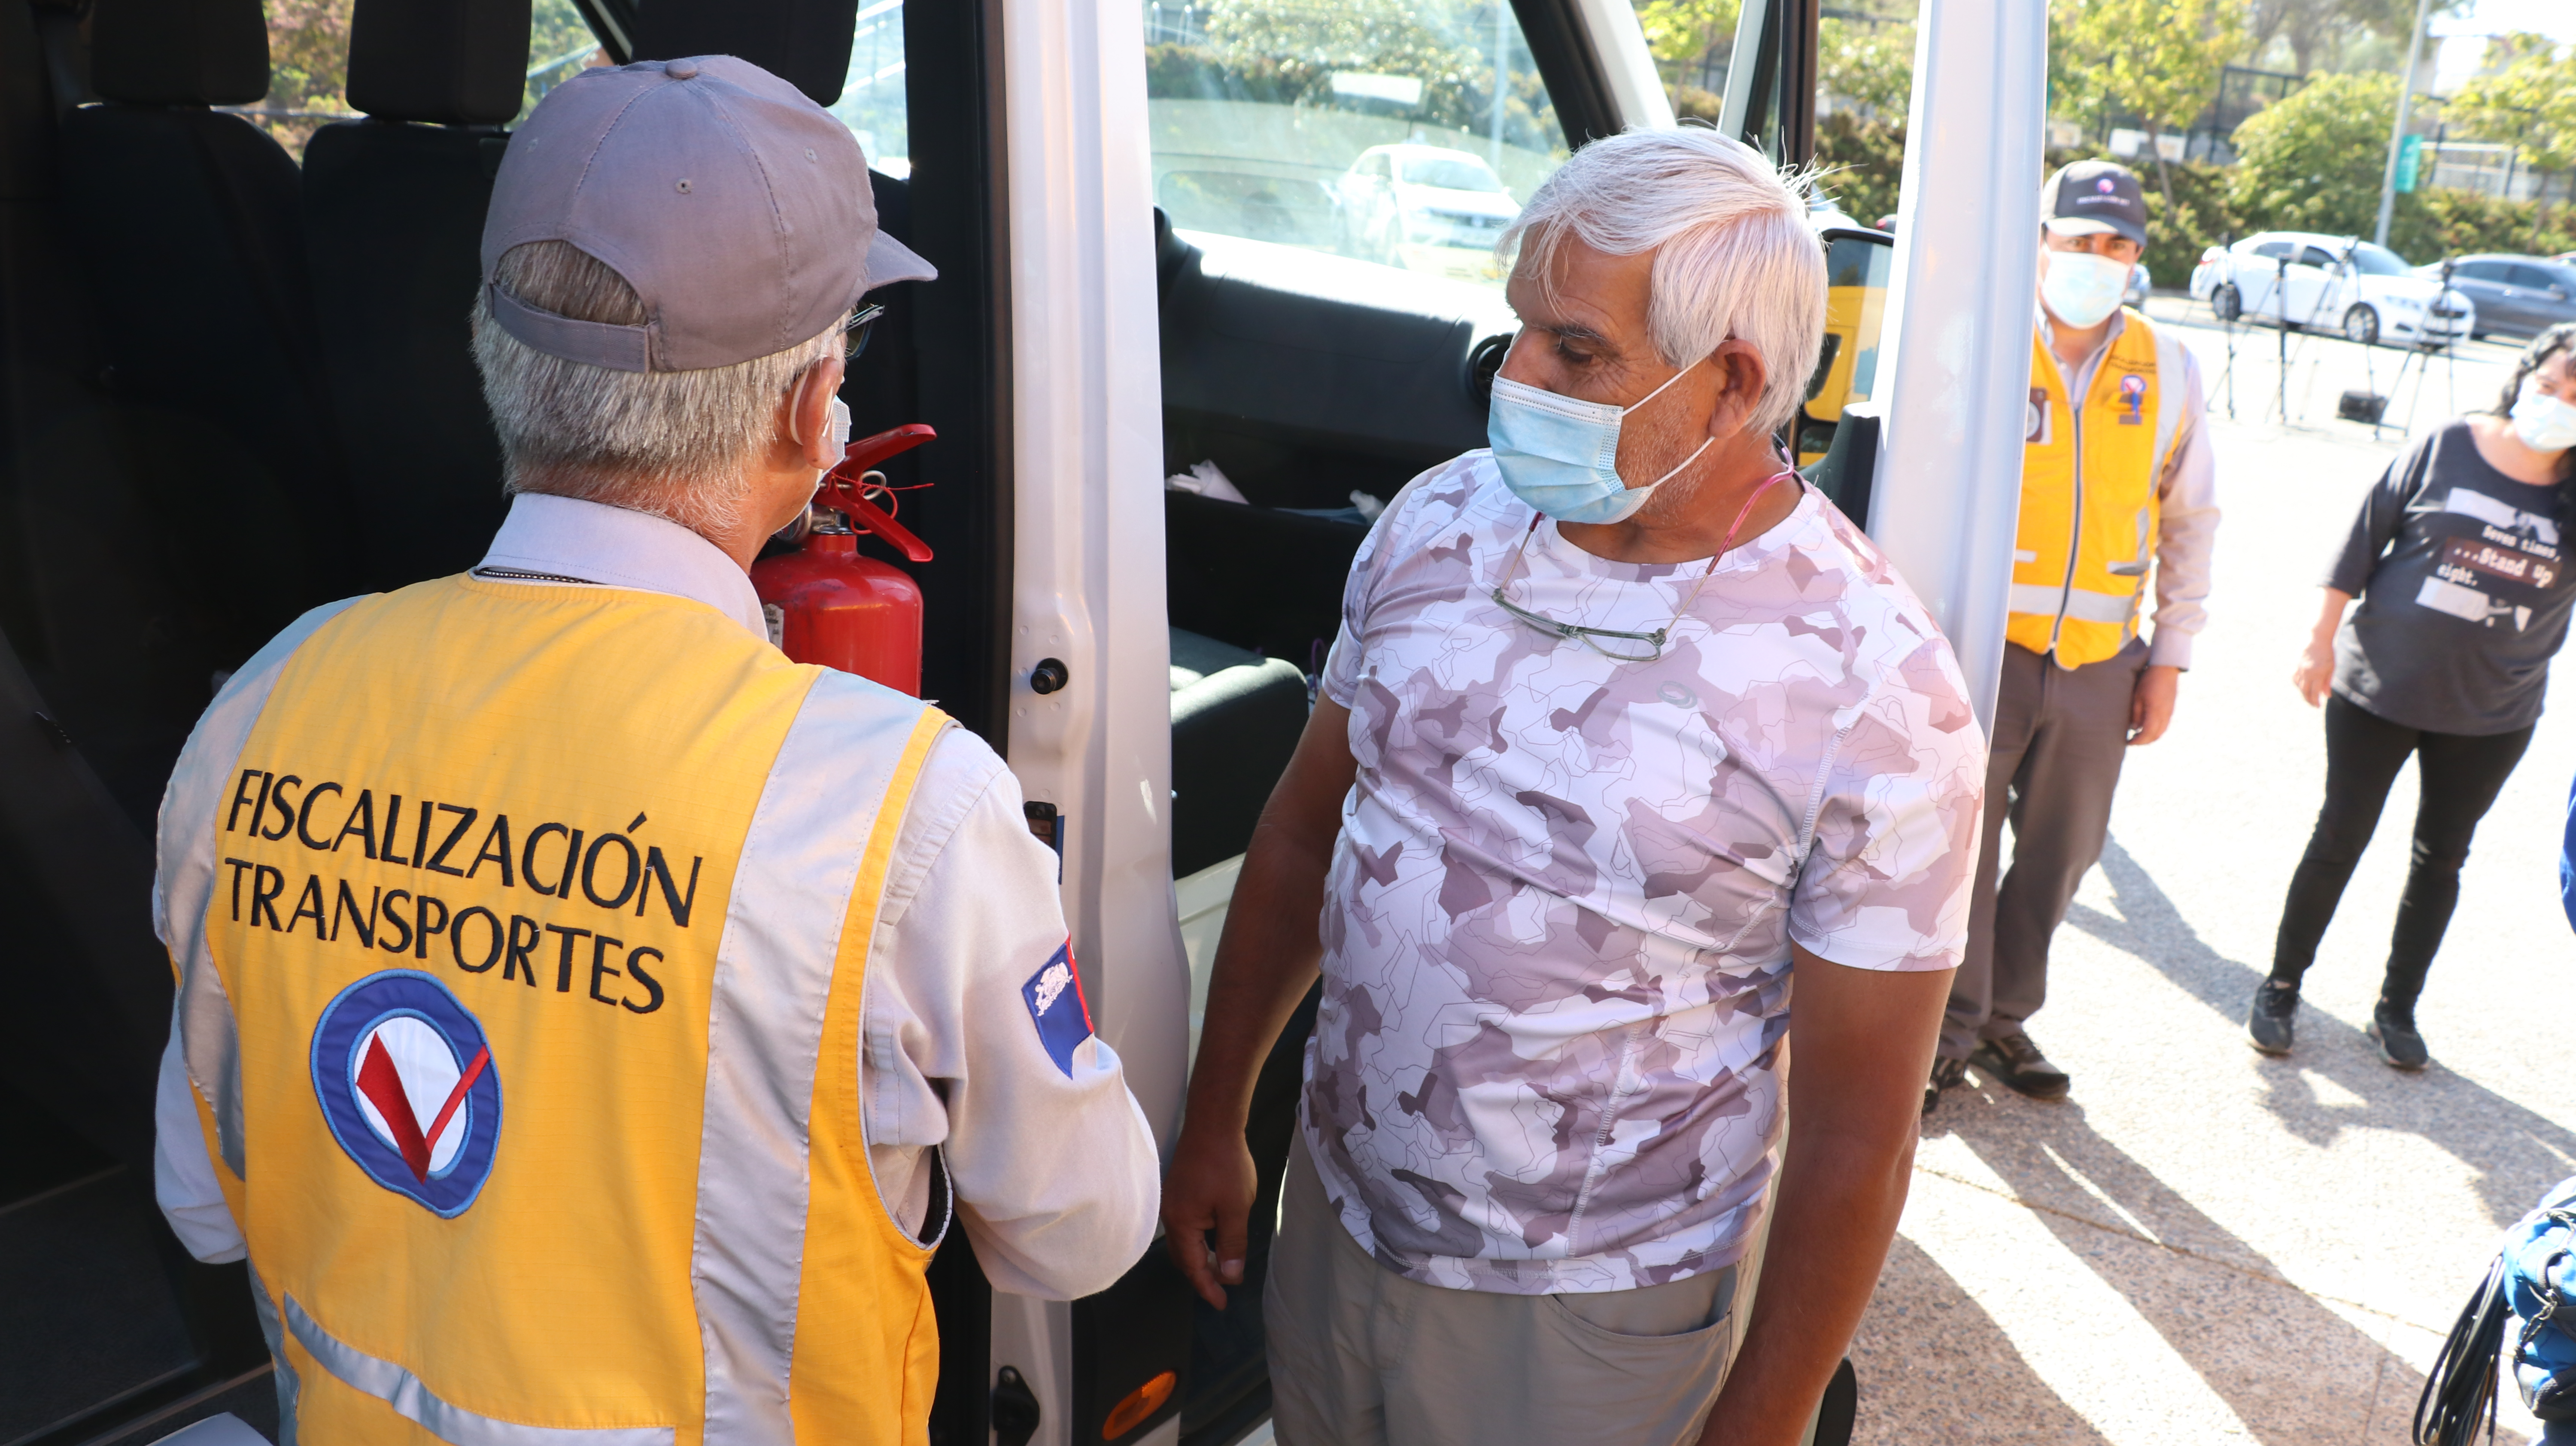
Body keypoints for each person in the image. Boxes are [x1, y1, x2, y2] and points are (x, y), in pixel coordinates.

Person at [148, 57, 1159, 1441]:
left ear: (495, 357)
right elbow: (1077, 1236)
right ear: (816, 411)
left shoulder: (267, 701)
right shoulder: (896, 811)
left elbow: (205, 1206)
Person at [1160, 129, 1983, 1446]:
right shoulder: (1436, 522)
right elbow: (1310, 834)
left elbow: (1857, 1133)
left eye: (1575, 349)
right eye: (1520, 331)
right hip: (1334, 1225)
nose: (1515, 377)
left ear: (1732, 382)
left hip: (1588, 1324)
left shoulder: (1874, 686)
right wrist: (1218, 1120)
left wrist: (1760, 1423)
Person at [1929, 159, 2218, 1110]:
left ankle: (2006, 1015)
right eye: (2079, 240)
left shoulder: (2168, 367)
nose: (2097, 259)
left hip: (2103, 660)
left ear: (2138, 256)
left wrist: (2169, 655)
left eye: (2117, 245)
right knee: (1962, 854)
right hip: (1987, 647)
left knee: (2062, 852)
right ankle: (1949, 1031)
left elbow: (2189, 519)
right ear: (2041, 241)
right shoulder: (1984, 345)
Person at [2251, 322, 2576, 1069]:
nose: (2556, 404)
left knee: (2441, 859)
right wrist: (2320, 636)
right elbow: (2364, 537)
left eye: (2575, 399)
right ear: (2526, 375)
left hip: (2492, 715)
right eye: (2549, 385)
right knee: (2339, 837)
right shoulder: (2450, 445)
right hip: (2378, 689)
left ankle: (2396, 1010)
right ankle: (2280, 987)